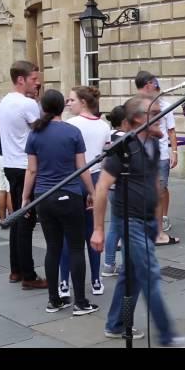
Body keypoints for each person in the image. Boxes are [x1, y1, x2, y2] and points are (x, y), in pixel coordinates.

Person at [90, 94, 185, 346]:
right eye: (153, 114)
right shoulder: (123, 148)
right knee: (151, 276)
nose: (160, 118)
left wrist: (157, 223)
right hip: (128, 221)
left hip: (146, 221)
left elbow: (154, 183)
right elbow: (102, 189)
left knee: (130, 276)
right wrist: (98, 230)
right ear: (136, 120)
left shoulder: (153, 144)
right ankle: (167, 336)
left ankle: (115, 323)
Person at [22, 89, 99, 315]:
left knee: (52, 248)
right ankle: (81, 302)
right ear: (61, 107)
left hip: (44, 197)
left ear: (43, 108)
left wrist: (26, 197)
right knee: (76, 248)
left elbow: (32, 169)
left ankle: (54, 300)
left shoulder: (34, 134)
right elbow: (82, 168)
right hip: (70, 195)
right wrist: (92, 192)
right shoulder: (72, 132)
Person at [0, 60, 47, 289]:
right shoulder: (27, 104)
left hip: (10, 164)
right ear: (21, 79)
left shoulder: (5, 101)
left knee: (18, 217)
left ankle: (16, 270)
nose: (38, 84)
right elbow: (43, 130)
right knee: (26, 219)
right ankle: (28, 275)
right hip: (24, 166)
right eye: (34, 80)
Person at [58, 86, 110, 299]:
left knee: (67, 234)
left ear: (83, 102)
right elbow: (106, 158)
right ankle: (96, 279)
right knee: (94, 231)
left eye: (72, 100)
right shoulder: (104, 127)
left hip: (72, 179)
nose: (69, 104)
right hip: (96, 179)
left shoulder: (68, 125)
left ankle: (63, 281)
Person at [134, 71, 180, 244]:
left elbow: (171, 130)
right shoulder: (136, 105)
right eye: (154, 84)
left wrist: (174, 152)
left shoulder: (165, 105)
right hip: (142, 154)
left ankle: (160, 226)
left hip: (160, 156)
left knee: (160, 190)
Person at [101, 105, 126, 277]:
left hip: (110, 186)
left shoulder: (108, 136)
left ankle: (109, 264)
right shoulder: (126, 139)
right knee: (125, 228)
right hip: (123, 186)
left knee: (115, 226)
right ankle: (126, 267)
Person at [0, 103, 13, 226]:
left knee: (2, 188)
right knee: (10, 189)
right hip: (7, 156)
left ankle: (3, 218)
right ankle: (12, 217)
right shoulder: (5, 123)